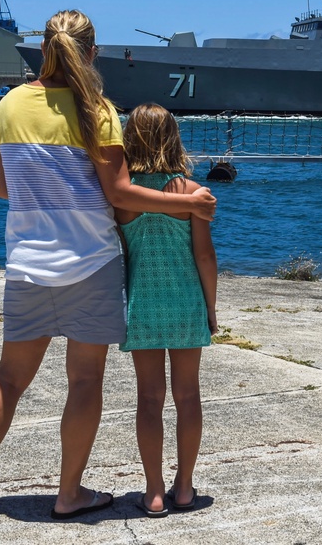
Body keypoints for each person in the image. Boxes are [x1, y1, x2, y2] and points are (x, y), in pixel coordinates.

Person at [0, 10, 216, 522]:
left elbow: (0, 188)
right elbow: (117, 190)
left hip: (26, 265)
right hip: (90, 265)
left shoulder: (8, 106)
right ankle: (69, 494)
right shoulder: (99, 110)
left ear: (44, 49)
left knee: (8, 380)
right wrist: (191, 205)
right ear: (92, 53)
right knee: (85, 381)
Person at [116, 103, 217, 517]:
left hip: (143, 303)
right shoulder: (192, 193)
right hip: (186, 303)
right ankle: (186, 487)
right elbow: (205, 258)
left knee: (149, 399)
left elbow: (123, 253)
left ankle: (154, 491)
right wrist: (211, 309)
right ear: (174, 138)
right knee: (188, 396)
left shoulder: (123, 196)